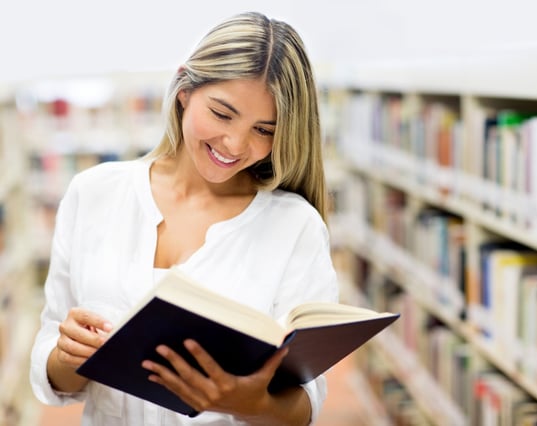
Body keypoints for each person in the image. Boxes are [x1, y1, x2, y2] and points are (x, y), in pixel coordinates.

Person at [30, 11, 338, 426]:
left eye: (264, 130)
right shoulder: (94, 193)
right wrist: (69, 355)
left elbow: (305, 403)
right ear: (183, 91)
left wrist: (252, 404)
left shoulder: (295, 228)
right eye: (222, 114)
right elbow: (54, 362)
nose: (234, 143)